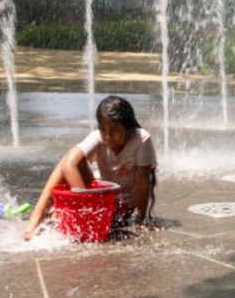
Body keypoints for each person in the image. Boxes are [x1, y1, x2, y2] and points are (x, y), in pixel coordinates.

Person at [24, 96, 158, 240]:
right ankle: (37, 218)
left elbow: (143, 182)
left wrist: (140, 220)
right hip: (99, 200)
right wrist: (86, 203)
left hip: (122, 206)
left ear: (129, 128)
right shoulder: (98, 137)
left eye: (115, 131)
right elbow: (69, 165)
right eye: (103, 129)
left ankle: (53, 214)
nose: (108, 136)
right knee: (70, 160)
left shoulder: (141, 139)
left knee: (69, 161)